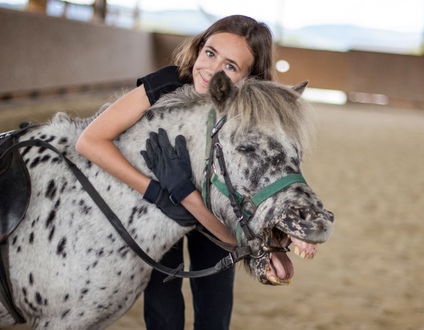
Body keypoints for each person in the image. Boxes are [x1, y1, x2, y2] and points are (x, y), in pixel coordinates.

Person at [75, 15, 275, 330]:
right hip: (157, 210)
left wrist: (186, 195)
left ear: (251, 78)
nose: (211, 69)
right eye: (210, 53)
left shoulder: (249, 118)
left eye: (231, 66)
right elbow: (89, 141)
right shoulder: (166, 83)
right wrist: (153, 191)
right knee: (164, 316)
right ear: (198, 48)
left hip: (214, 214)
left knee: (214, 314)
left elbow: (233, 238)